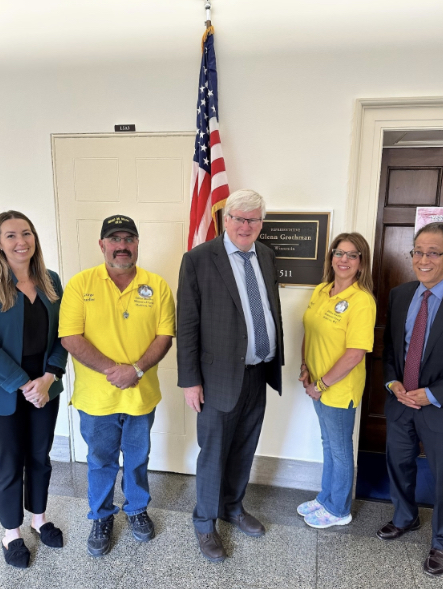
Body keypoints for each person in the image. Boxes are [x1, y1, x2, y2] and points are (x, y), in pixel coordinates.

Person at [177, 189, 284, 563]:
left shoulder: (267, 256)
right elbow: (187, 325)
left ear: (261, 223)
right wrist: (190, 380)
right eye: (238, 218)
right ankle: (205, 523)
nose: (245, 225)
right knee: (214, 453)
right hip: (217, 378)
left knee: (244, 447)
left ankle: (232, 507)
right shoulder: (199, 259)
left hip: (258, 373)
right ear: (226, 220)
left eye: (253, 219)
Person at [59, 215, 175, 557]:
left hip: (141, 396)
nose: (122, 245)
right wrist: (116, 371)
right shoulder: (81, 284)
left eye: (129, 239)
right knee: (100, 460)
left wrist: (136, 370)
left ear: (137, 244)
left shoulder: (157, 285)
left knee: (138, 459)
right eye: (114, 239)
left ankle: (137, 510)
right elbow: (70, 337)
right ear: (102, 245)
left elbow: (165, 336)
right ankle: (101, 516)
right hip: (96, 400)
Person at [377, 222, 443, 577]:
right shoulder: (400, 294)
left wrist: (432, 394)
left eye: (433, 252)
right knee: (398, 464)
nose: (424, 259)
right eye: (418, 251)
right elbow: (390, 349)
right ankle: (405, 517)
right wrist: (392, 382)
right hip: (400, 403)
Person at [0, 211, 67, 569]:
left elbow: (65, 334)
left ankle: (38, 518)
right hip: (6, 390)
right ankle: (11, 532)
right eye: (10, 235)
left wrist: (48, 378)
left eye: (26, 233)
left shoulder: (51, 281)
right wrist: (22, 383)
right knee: (9, 462)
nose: (20, 241)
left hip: (44, 387)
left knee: (40, 456)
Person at [298, 232, 376, 528]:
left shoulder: (361, 301)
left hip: (337, 388)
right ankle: (326, 497)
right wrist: (305, 366)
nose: (343, 260)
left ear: (361, 262)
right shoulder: (321, 290)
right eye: (339, 253)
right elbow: (309, 330)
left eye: (352, 255)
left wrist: (321, 386)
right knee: (328, 443)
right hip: (316, 384)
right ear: (331, 257)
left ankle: (339, 510)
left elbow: (355, 354)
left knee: (340, 448)